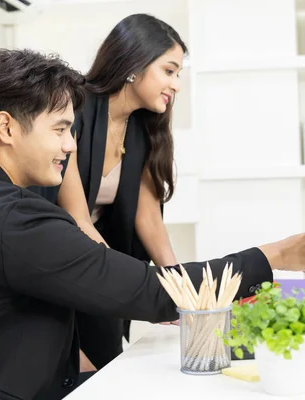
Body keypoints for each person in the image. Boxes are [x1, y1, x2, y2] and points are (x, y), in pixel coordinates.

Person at [0, 48, 305, 400]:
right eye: (59, 130)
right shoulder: (13, 219)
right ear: (7, 128)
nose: (71, 145)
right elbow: (151, 292)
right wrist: (273, 257)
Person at [28, 13, 189, 371]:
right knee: (79, 371)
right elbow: (76, 217)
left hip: (97, 257)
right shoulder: (74, 110)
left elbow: (147, 218)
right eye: (169, 70)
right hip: (51, 257)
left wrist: (183, 292)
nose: (176, 84)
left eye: (179, 74)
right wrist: (137, 288)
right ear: (136, 63)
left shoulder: (144, 128)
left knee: (110, 362)